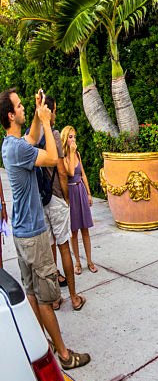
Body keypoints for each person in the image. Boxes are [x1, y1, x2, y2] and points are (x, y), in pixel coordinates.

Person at [0, 88, 90, 369]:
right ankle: (64, 355)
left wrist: (39, 115)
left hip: (22, 233)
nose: (25, 107)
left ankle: (42, 345)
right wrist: (48, 122)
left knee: (31, 292)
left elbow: (30, 137)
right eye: (20, 106)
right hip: (35, 235)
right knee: (47, 297)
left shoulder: (10, 145)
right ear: (11, 115)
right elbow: (53, 157)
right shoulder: (18, 149)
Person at [37, 96, 83, 310]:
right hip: (55, 196)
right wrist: (66, 198)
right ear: (51, 112)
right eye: (54, 110)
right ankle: (73, 297)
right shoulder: (54, 135)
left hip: (40, 199)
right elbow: (62, 172)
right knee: (64, 247)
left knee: (50, 249)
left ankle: (55, 299)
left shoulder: (33, 137)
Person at [58, 126, 96, 274]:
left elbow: (83, 174)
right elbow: (71, 172)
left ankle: (89, 261)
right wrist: (72, 152)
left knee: (85, 229)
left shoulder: (78, 154)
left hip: (80, 190)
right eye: (70, 137)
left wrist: (89, 193)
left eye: (74, 137)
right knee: (74, 231)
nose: (73, 140)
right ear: (65, 138)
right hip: (71, 193)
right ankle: (78, 263)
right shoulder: (63, 157)